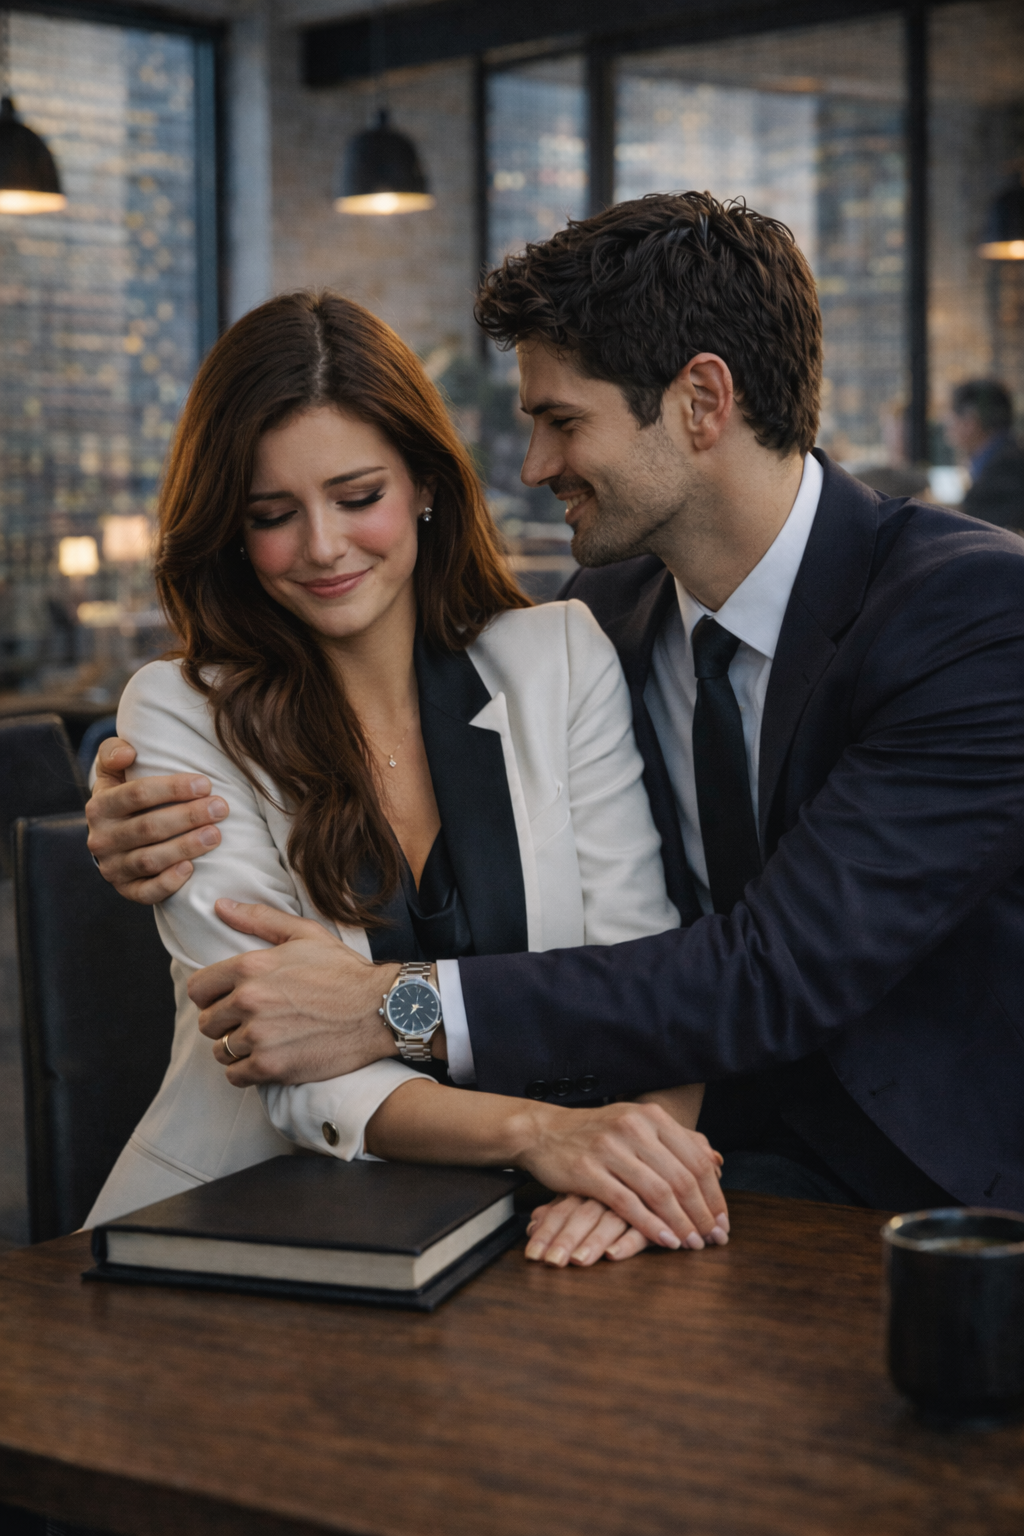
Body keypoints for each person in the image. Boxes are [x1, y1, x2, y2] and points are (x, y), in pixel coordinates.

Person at [88, 193, 1024, 1258]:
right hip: (624, 1170)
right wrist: (114, 798)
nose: (532, 467)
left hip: (932, 1188)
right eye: (270, 514)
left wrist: (389, 1007)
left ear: (701, 402)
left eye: (560, 421)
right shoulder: (611, 617)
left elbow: (767, 970)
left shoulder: (970, 616)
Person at [85, 289, 729, 1267]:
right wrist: (548, 1136)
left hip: (530, 1234)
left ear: (425, 483)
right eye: (272, 514)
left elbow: (641, 982)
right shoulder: (179, 713)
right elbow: (292, 1062)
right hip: (240, 1231)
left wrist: (646, 1155)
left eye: (357, 497)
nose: (323, 548)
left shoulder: (559, 660)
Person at [946, 380, 1024, 532]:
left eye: (952, 415)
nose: (947, 423)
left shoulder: (1003, 472)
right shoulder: (1008, 457)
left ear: (970, 421)